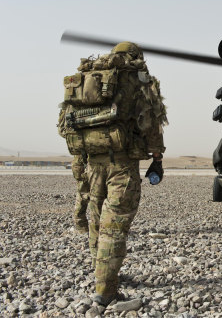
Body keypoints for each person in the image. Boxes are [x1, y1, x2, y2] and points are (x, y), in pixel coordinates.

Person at [58, 42, 167, 305]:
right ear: (136, 57)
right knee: (115, 225)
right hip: (123, 165)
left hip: (92, 162)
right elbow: (152, 123)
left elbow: (64, 126)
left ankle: (103, 272)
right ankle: (106, 290)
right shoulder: (140, 80)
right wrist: (157, 157)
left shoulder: (86, 79)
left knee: (96, 217)